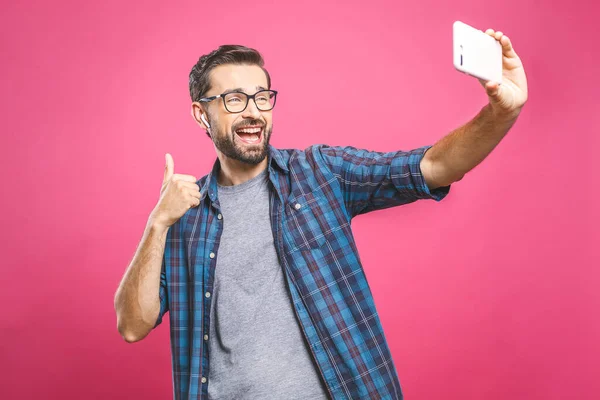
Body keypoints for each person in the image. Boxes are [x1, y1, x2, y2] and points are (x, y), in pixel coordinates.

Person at [114, 31, 528, 400]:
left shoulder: (319, 174)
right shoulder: (184, 215)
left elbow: (433, 167)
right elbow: (133, 325)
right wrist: (157, 223)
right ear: (201, 113)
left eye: (262, 97)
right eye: (234, 99)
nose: (253, 112)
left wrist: (501, 113)